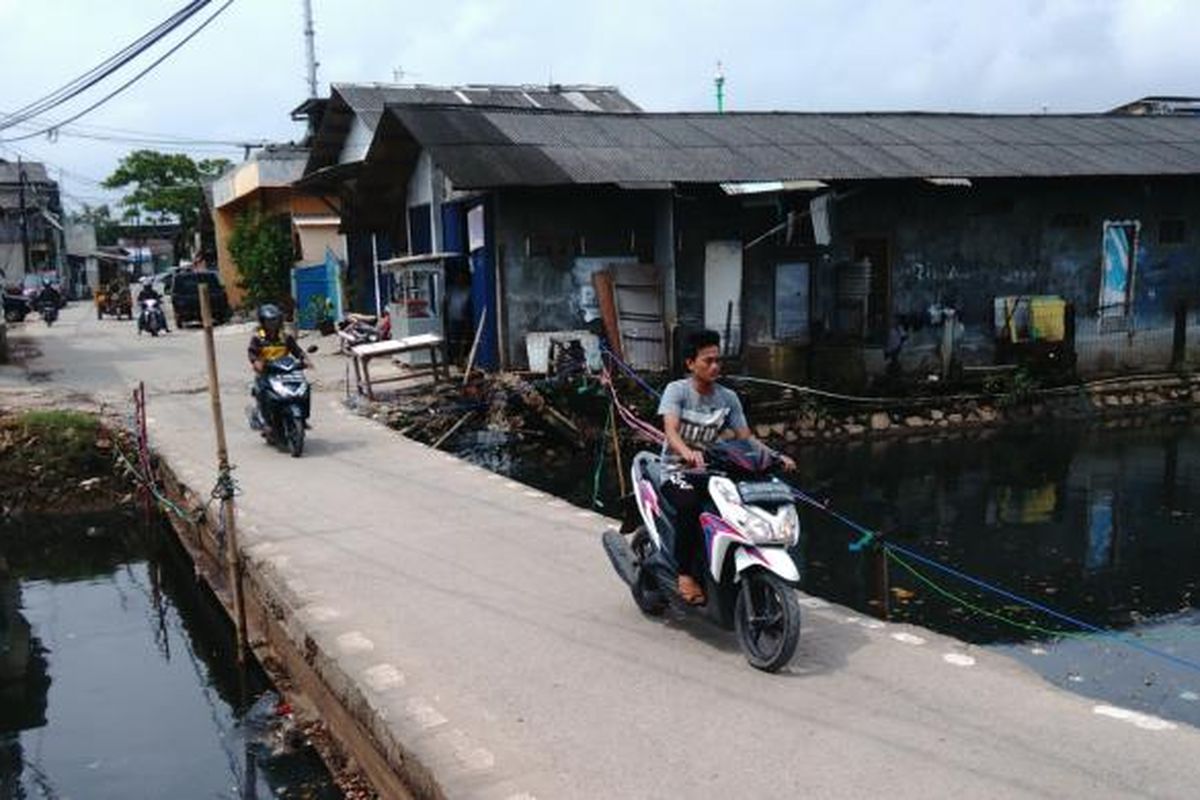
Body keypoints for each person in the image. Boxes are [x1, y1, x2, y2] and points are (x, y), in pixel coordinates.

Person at [657, 329, 796, 605]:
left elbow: (747, 439)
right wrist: (687, 452)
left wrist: (777, 457)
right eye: (707, 361)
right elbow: (670, 431)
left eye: (717, 360)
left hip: (713, 472)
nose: (715, 366)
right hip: (677, 470)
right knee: (690, 507)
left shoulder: (728, 397)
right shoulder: (677, 391)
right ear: (690, 363)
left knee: (744, 506)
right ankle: (685, 574)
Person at [248, 304, 309, 435]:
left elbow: (297, 351)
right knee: (264, 392)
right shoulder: (258, 338)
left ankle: (303, 417)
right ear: (263, 322)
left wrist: (304, 359)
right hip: (267, 373)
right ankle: (267, 422)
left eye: (275, 320)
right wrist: (256, 362)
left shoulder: (285, 337)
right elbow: (252, 353)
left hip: (286, 371)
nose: (272, 324)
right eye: (269, 321)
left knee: (305, 388)